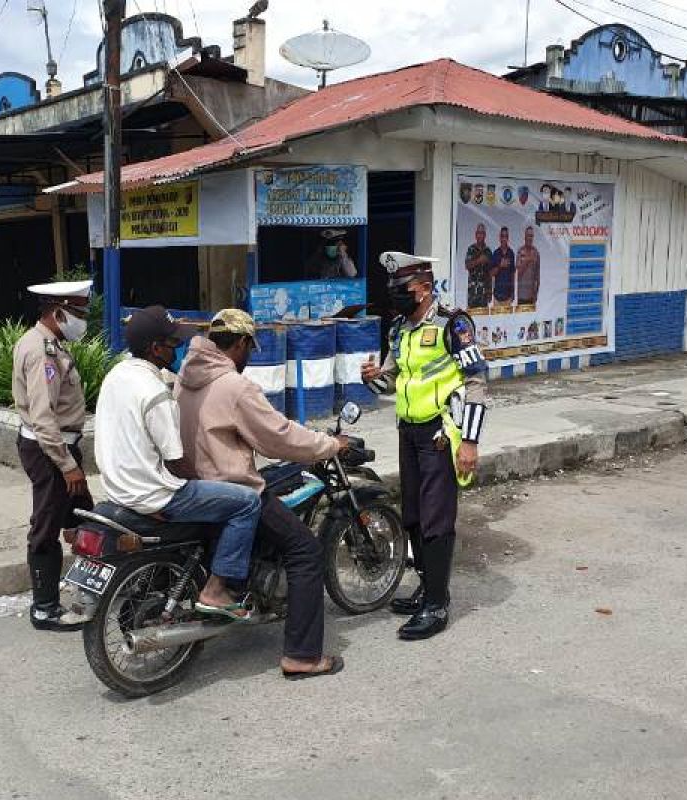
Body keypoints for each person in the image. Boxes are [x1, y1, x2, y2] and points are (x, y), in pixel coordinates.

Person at [175, 308, 348, 679]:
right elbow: (278, 437)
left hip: (194, 487)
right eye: (249, 348)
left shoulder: (185, 377)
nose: (250, 355)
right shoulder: (234, 386)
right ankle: (302, 656)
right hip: (231, 490)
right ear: (239, 344)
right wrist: (328, 444)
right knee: (305, 550)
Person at [94, 305, 263, 618]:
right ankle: (216, 590)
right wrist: (210, 482)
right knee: (246, 502)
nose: (179, 348)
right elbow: (176, 462)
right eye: (173, 343)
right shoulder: (155, 392)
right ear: (155, 348)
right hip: (155, 495)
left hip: (118, 489)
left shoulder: (115, 376)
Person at [362, 252, 489, 641]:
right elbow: (391, 379)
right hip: (409, 432)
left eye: (402, 289)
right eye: (393, 289)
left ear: (424, 288)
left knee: (436, 519)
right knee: (414, 516)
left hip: (440, 433)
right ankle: (427, 587)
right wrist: (373, 378)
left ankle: (437, 604)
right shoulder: (399, 330)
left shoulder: (454, 325)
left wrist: (469, 441)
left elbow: (477, 382)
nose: (396, 296)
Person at [13, 279, 96, 631]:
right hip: (50, 451)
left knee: (82, 518)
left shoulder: (51, 345)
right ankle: (44, 608)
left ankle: (89, 589)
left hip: (59, 447)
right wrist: (67, 465)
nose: (82, 319)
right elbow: (43, 416)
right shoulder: (40, 351)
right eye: (78, 312)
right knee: (46, 525)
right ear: (58, 311)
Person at [464, 224, 493, 309]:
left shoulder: (488, 251)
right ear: (476, 234)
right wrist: (478, 261)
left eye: (482, 233)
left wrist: (490, 291)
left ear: (485, 235)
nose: (480, 235)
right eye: (479, 233)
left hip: (484, 293)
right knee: (472, 317)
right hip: (473, 292)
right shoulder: (471, 249)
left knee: (483, 318)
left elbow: (490, 273)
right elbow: (467, 265)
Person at [491, 227, 516, 306]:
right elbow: (491, 273)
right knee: (496, 318)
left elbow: (513, 274)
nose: (504, 238)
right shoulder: (496, 253)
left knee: (508, 318)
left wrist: (513, 292)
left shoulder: (511, 253)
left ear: (508, 238)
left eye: (506, 236)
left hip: (508, 297)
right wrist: (500, 266)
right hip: (497, 297)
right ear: (499, 238)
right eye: (502, 236)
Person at [516, 226, 541, 306]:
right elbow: (518, 274)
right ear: (525, 236)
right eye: (528, 235)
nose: (530, 238)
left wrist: (536, 294)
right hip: (521, 297)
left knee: (532, 318)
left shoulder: (536, 253)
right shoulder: (520, 252)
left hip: (532, 297)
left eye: (531, 236)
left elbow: (537, 276)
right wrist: (527, 260)